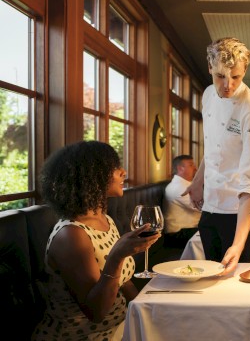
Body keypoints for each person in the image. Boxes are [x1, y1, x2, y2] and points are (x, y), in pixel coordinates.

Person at [31, 141, 160, 340]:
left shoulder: (104, 219)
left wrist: (146, 313)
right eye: (114, 168)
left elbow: (124, 283)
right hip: (86, 336)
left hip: (121, 325)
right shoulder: (71, 235)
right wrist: (117, 256)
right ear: (91, 176)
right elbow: (96, 312)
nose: (123, 172)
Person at [182, 37, 250, 275]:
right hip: (209, 209)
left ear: (244, 71)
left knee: (235, 285)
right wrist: (198, 181)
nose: (227, 85)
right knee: (207, 280)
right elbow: (213, 146)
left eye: (236, 77)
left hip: (237, 214)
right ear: (210, 67)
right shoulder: (209, 95)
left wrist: (238, 243)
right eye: (221, 76)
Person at [164, 154, 201, 248]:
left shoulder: (186, 185)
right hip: (177, 234)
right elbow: (201, 207)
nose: (195, 168)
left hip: (189, 230)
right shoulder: (178, 187)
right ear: (180, 168)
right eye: (191, 165)